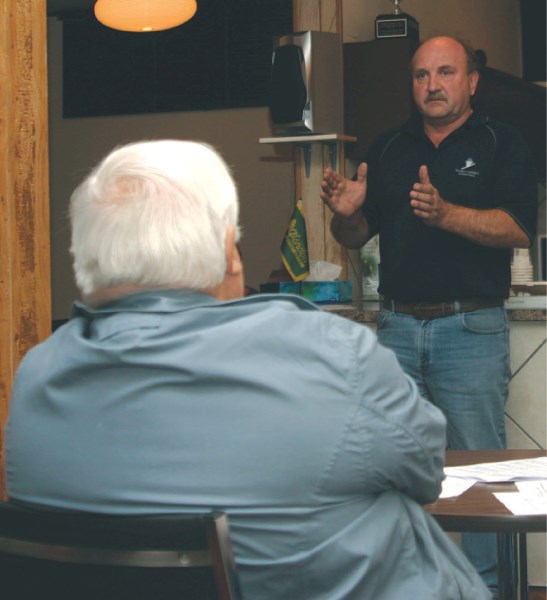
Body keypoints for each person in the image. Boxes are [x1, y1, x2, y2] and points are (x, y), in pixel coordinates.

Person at [4, 139, 491, 600]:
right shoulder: (328, 355)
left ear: (85, 256)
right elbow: (426, 470)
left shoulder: (35, 378)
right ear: (226, 254)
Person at [320, 36, 538, 597]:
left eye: (445, 73)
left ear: (471, 82)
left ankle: (487, 589)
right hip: (395, 329)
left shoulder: (500, 142)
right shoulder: (388, 147)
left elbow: (517, 227)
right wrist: (344, 214)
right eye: (421, 75)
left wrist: (446, 215)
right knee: (393, 467)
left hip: (470, 328)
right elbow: (355, 232)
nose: (432, 85)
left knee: (481, 474)